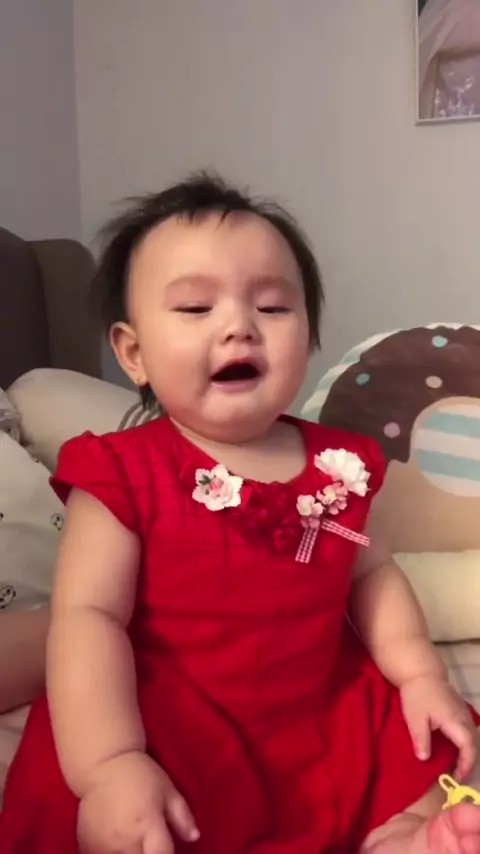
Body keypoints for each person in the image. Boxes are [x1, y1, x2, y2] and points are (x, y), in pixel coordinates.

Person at [1, 173, 479, 854]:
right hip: (174, 715)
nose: (239, 326)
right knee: (124, 815)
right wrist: (108, 763)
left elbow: (371, 575)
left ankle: (404, 836)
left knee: (413, 749)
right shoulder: (121, 470)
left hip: (316, 700)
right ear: (133, 354)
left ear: (308, 336)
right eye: (196, 307)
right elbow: (87, 618)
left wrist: (420, 675)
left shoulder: (337, 464)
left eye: (273, 307)